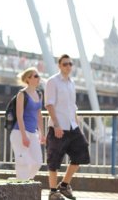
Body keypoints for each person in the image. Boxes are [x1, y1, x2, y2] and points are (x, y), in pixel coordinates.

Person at [44, 54, 90, 200]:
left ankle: (64, 185)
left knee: (81, 154)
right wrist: (56, 125)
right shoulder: (53, 81)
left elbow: (73, 107)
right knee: (54, 160)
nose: (68, 66)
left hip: (72, 127)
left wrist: (77, 125)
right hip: (59, 127)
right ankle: (52, 192)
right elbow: (49, 104)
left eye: (70, 64)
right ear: (59, 65)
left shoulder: (71, 83)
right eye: (65, 64)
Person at [10, 67, 45, 180]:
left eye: (38, 76)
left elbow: (39, 115)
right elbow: (19, 116)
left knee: (38, 162)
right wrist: (24, 135)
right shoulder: (22, 94)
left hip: (33, 132)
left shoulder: (39, 94)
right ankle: (22, 183)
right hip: (19, 132)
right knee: (23, 162)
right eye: (35, 76)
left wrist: (42, 133)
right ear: (28, 79)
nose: (38, 78)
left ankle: (23, 181)